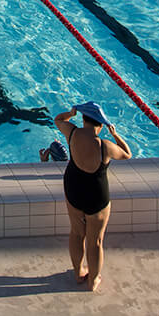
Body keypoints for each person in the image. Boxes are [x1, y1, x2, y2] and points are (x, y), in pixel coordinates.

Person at [57, 102, 132, 289]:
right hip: (96, 195)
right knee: (95, 241)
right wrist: (115, 135)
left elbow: (58, 120)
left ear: (83, 119)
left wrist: (70, 113)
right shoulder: (105, 146)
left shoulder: (72, 133)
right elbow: (127, 154)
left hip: (73, 188)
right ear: (100, 125)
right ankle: (93, 280)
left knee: (76, 233)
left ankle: (77, 272)